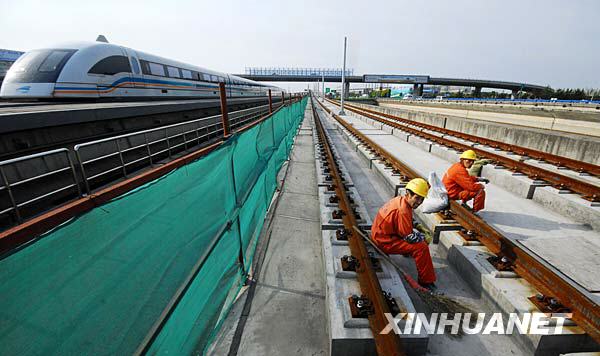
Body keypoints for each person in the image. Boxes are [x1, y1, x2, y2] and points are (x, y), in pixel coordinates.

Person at [371, 178, 436, 291]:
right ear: (408, 194)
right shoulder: (403, 210)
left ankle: (407, 252)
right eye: (417, 198)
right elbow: (409, 237)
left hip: (380, 234)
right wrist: (423, 237)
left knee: (416, 238)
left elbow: (405, 222)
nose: (419, 202)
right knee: (422, 247)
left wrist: (416, 225)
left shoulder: (400, 200)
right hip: (384, 242)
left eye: (421, 199)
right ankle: (426, 281)